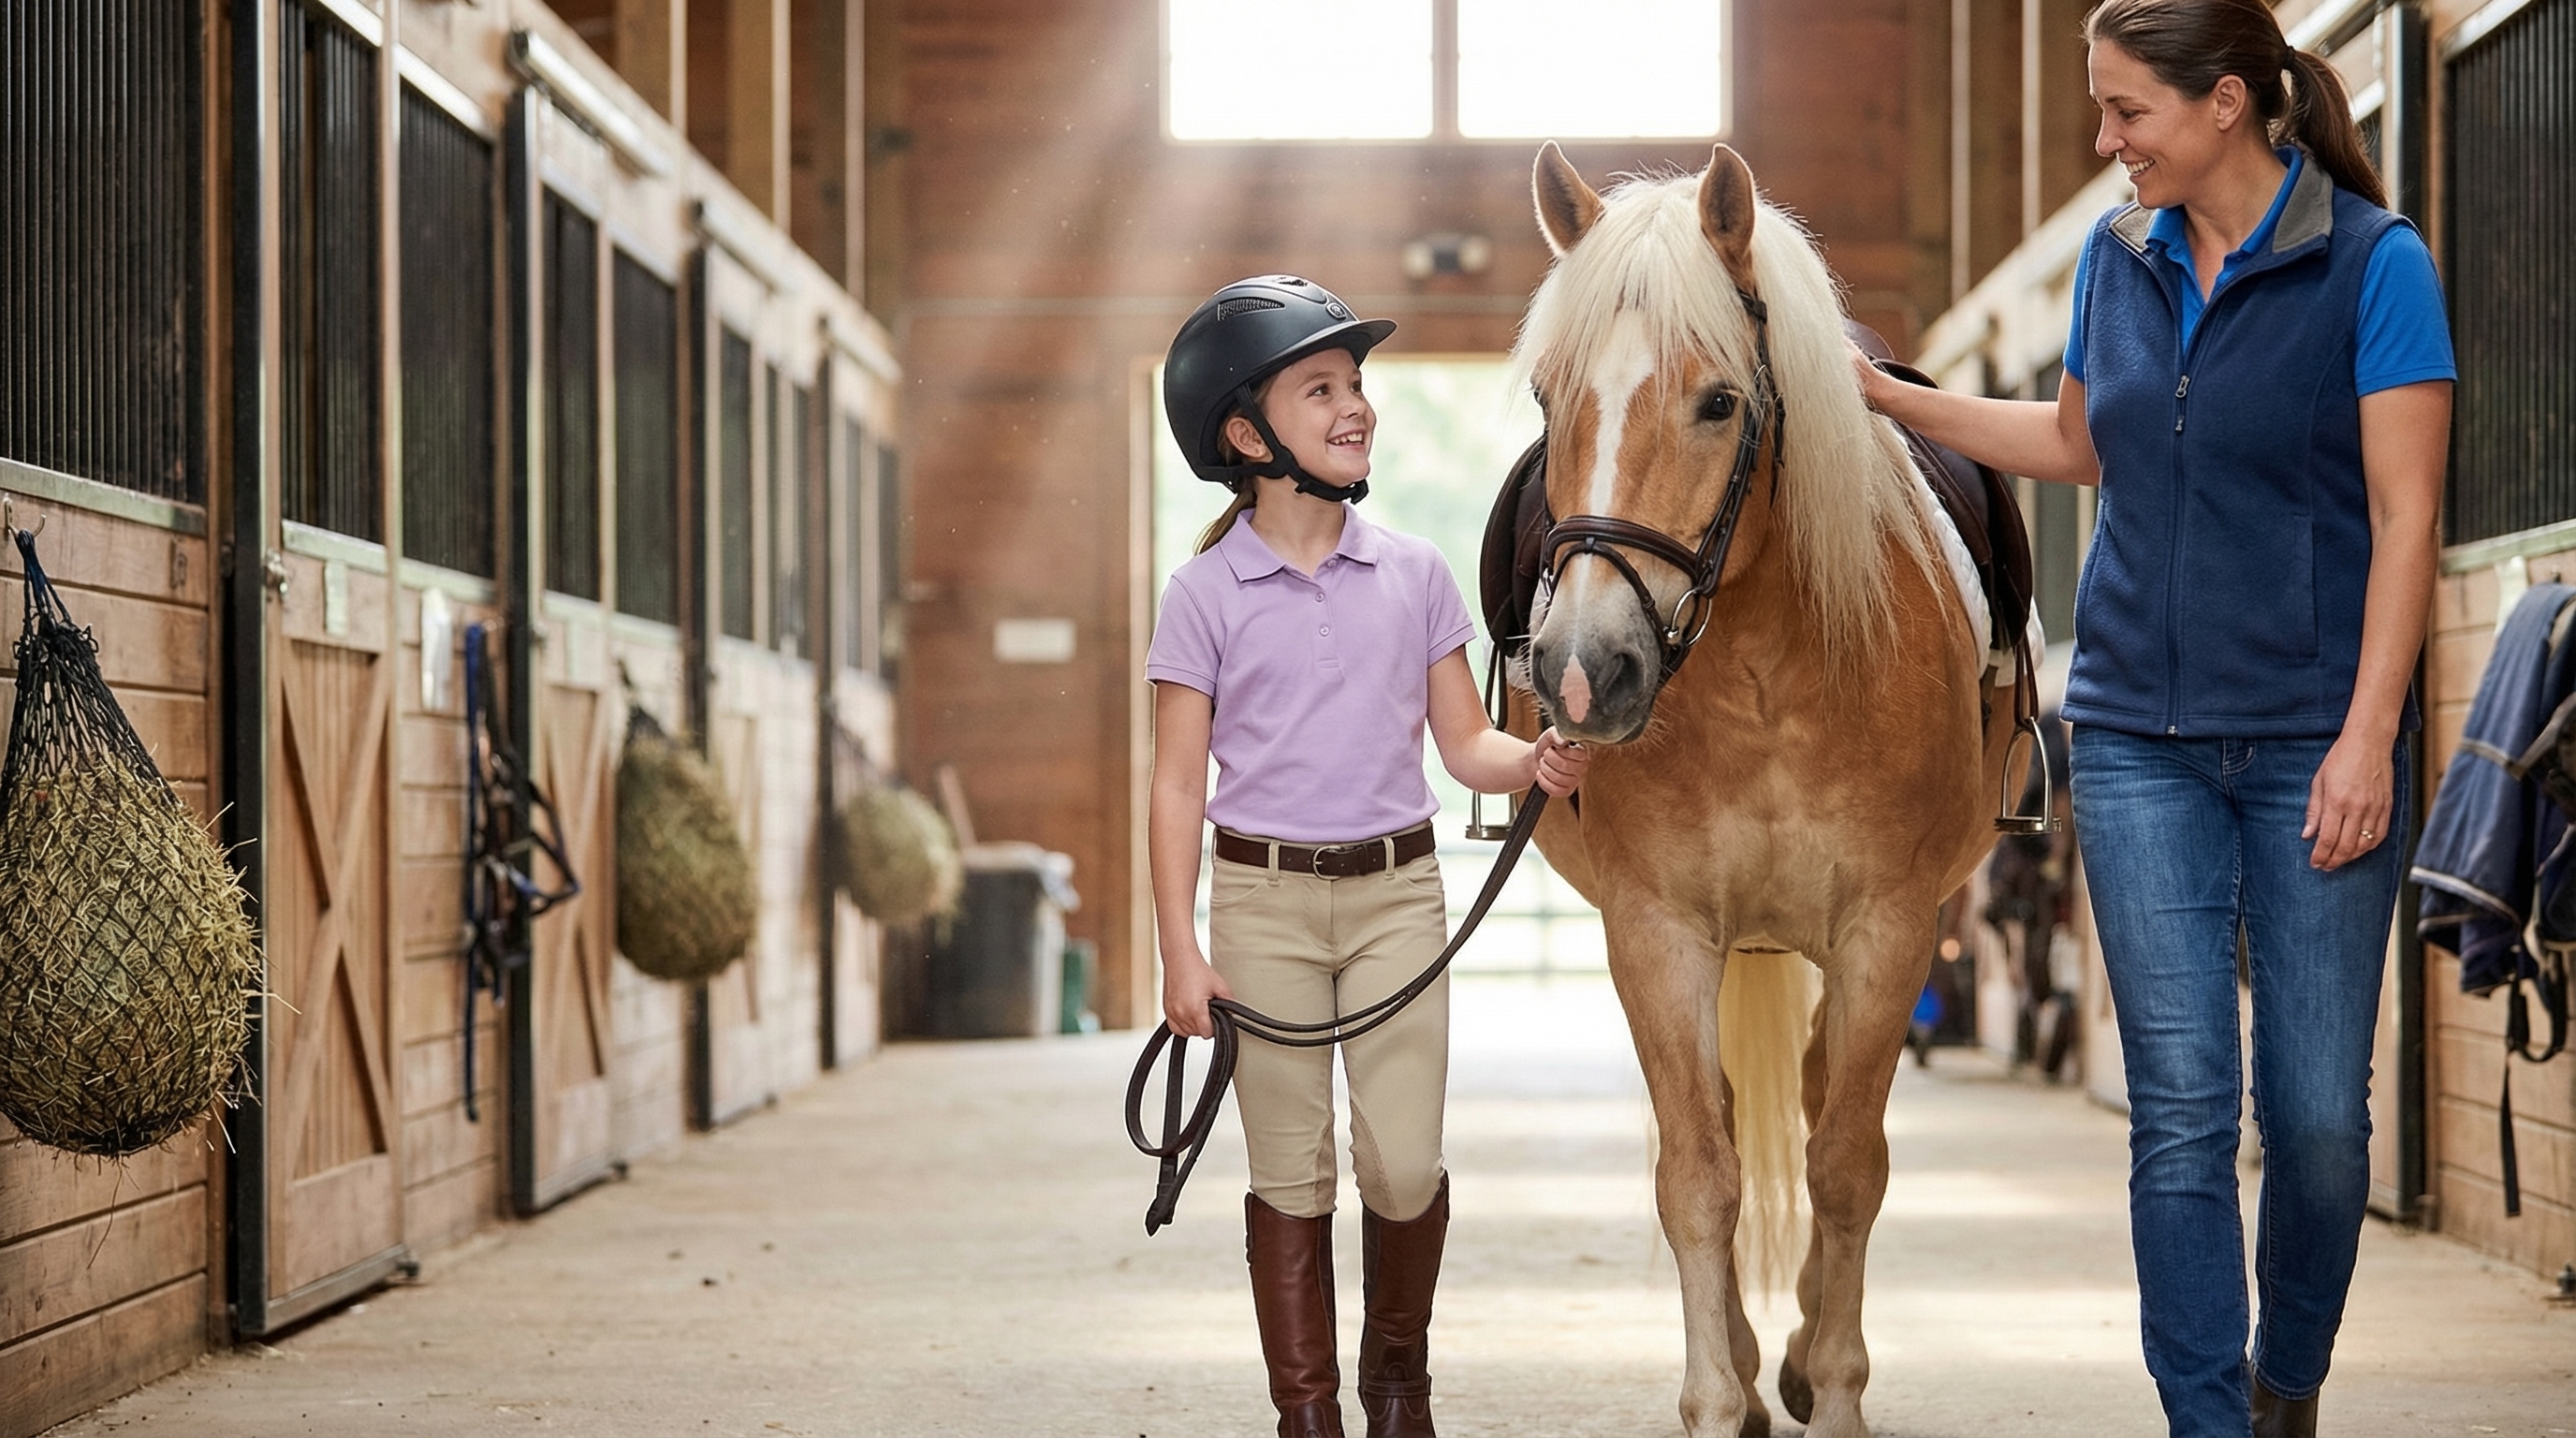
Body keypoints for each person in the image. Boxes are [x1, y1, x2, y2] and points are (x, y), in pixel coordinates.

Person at [1852, 2, 2455, 1433]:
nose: (2107, 141)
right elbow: (2075, 443)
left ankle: (2284, 1383)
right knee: (2180, 1113)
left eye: (2128, 113)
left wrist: (2371, 735)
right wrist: (1886, 402)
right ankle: (2206, 1420)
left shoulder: (2378, 265)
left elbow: (2407, 511)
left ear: (2229, 104)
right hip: (2134, 741)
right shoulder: (2118, 264)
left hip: (2317, 737)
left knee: (2317, 1129)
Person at [1147, 274, 1588, 1438]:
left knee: (1401, 1167)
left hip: (1397, 897)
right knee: (1290, 1173)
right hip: (1261, 902)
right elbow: (1175, 784)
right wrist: (1179, 952)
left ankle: (1399, 1383)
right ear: (1247, 436)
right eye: (1322, 389)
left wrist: (1533, 761)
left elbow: (1464, 744)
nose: (1357, 408)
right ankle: (1310, 1415)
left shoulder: (1415, 574)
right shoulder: (1200, 595)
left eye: (1357, 387)